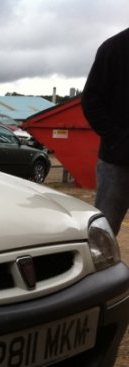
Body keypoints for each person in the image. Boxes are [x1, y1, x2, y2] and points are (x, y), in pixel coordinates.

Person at [81, 27, 129, 235]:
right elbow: (91, 101)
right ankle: (102, 269)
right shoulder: (114, 48)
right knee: (102, 235)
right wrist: (118, 140)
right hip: (116, 164)